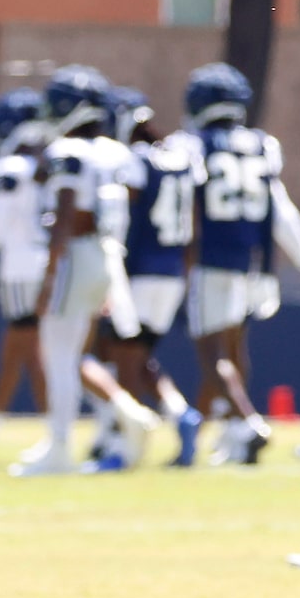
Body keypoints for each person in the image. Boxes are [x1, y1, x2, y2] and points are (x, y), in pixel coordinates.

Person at [181, 62, 300, 465]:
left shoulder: (193, 146)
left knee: (211, 353)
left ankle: (247, 422)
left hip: (210, 258)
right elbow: (280, 208)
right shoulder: (262, 144)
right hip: (251, 261)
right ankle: (217, 436)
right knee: (232, 348)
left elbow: (188, 208)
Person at [19, 67, 139, 475]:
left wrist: (49, 276)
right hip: (103, 255)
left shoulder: (69, 152)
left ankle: (60, 448)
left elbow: (67, 214)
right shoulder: (111, 151)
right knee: (73, 354)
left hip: (75, 255)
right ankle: (112, 425)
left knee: (60, 357)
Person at [106, 89, 206, 466]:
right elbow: (193, 222)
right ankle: (180, 414)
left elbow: (125, 218)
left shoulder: (136, 161)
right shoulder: (181, 158)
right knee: (140, 356)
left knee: (124, 359)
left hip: (142, 270)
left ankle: (124, 449)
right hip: (172, 273)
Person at [0, 88, 50, 460]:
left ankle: (57, 428)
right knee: (25, 352)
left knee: (26, 350)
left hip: (20, 268)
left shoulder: (10, 169)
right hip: (45, 264)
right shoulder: (48, 161)